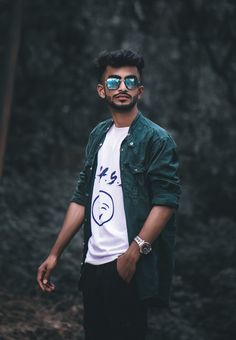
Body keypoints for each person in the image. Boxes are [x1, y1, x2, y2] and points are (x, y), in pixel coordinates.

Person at [37, 49, 181, 340]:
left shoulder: (156, 139)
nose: (123, 87)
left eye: (130, 81)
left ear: (140, 90)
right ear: (102, 91)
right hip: (91, 266)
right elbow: (82, 197)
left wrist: (133, 252)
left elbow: (166, 201)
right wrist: (55, 254)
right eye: (114, 82)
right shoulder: (98, 135)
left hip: (126, 266)